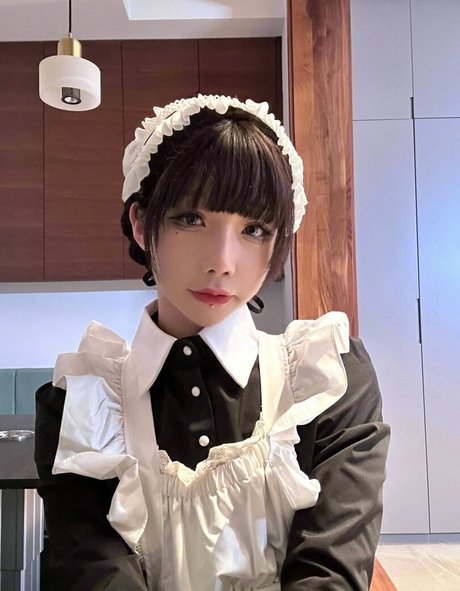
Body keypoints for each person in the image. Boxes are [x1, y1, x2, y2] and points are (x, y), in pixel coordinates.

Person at [34, 94, 390, 591]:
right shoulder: (83, 403)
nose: (223, 262)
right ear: (141, 224)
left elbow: (329, 574)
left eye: (254, 229)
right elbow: (94, 572)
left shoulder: (328, 379)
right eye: (190, 219)